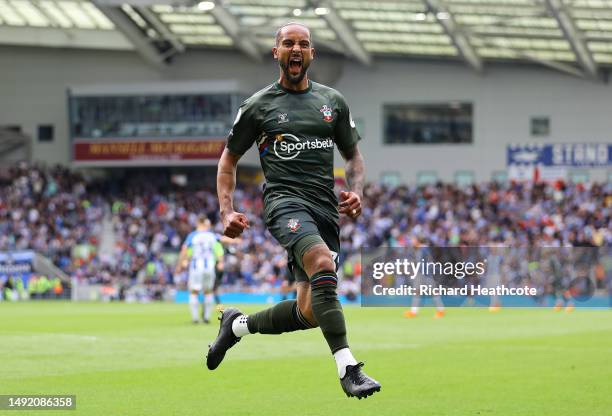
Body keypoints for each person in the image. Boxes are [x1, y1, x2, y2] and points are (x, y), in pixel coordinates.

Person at [207, 22, 381, 399]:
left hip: (325, 208)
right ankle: (348, 368)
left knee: (310, 311)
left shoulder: (333, 102)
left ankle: (235, 327)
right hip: (284, 202)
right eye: (288, 43)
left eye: (303, 43)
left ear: (312, 54)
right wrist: (226, 211)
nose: (296, 49)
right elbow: (227, 163)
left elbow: (353, 156)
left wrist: (356, 190)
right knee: (322, 263)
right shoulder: (257, 106)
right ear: (277, 53)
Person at [175, 215, 220, 324]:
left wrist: (179, 265)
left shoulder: (193, 236)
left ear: (199, 223)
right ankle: (206, 317)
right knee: (208, 292)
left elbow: (184, 250)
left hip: (196, 267)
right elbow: (218, 249)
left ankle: (195, 318)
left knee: (194, 292)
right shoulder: (211, 236)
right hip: (209, 266)